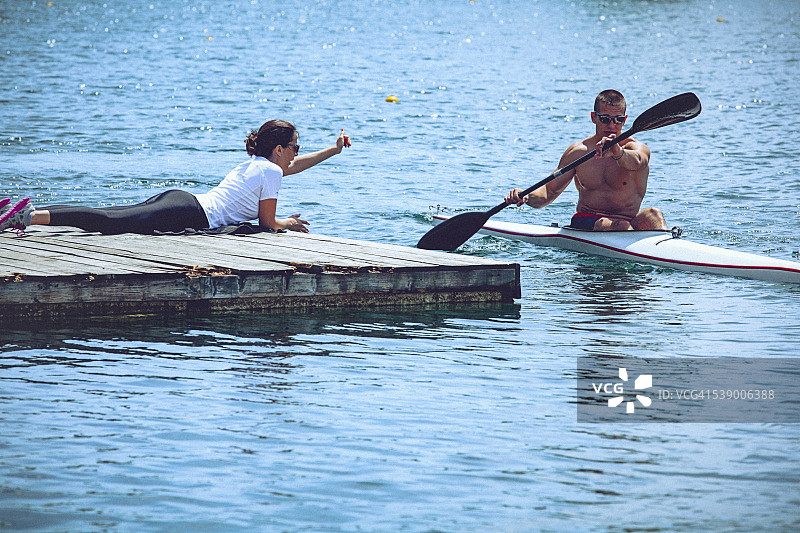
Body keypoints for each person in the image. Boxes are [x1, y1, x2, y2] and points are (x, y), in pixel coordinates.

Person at [0, 120, 351, 235]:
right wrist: (288, 222)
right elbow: (268, 222)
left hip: (183, 201)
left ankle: (23, 212)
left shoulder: (258, 164)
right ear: (279, 149)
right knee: (108, 221)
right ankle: (26, 216)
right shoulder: (271, 170)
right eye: (295, 146)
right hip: (188, 213)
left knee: (111, 212)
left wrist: (333, 151)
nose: (296, 152)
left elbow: (294, 166)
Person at [505, 89, 667, 231]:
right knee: (621, 226)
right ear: (593, 117)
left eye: (617, 120)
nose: (612, 125)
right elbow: (548, 192)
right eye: (605, 119)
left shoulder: (637, 148)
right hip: (587, 220)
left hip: (626, 221)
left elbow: (637, 161)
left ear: (624, 120)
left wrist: (617, 152)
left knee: (654, 214)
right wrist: (525, 195)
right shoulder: (578, 152)